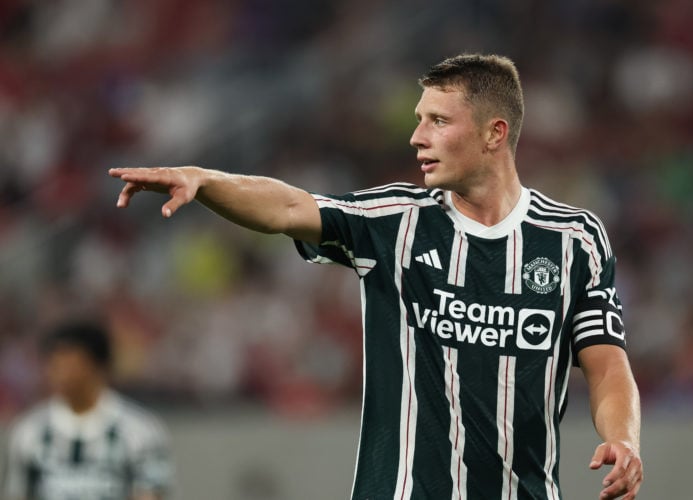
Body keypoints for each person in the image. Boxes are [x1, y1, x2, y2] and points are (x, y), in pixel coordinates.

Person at [109, 54, 643, 499]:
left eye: (437, 121)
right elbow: (288, 208)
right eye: (419, 118)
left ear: (494, 133)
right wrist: (204, 180)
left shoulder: (573, 238)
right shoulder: (396, 221)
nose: (416, 137)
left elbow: (605, 364)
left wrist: (623, 439)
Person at [2, 319, 173, 500]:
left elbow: (149, 493)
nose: (60, 374)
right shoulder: (30, 431)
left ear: (97, 366)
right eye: (54, 365)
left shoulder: (140, 430)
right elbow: (18, 492)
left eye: (69, 365)